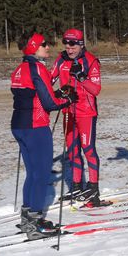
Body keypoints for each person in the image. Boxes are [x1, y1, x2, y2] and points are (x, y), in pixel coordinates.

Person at [10, 32, 77, 239]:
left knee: (32, 173)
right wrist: (67, 100)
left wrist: (59, 94)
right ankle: (36, 222)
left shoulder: (20, 68)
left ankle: (27, 219)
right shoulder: (38, 68)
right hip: (36, 126)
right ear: (33, 47)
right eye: (43, 44)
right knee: (41, 175)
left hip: (19, 125)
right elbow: (49, 103)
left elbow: (35, 96)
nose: (48, 47)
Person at [50, 28, 103, 206]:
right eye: (67, 46)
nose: (69, 49)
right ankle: (77, 186)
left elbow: (96, 90)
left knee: (88, 149)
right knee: (72, 151)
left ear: (81, 45)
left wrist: (81, 77)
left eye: (73, 46)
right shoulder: (61, 59)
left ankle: (93, 187)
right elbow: (50, 79)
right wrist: (54, 93)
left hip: (86, 112)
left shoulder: (90, 61)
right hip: (68, 111)